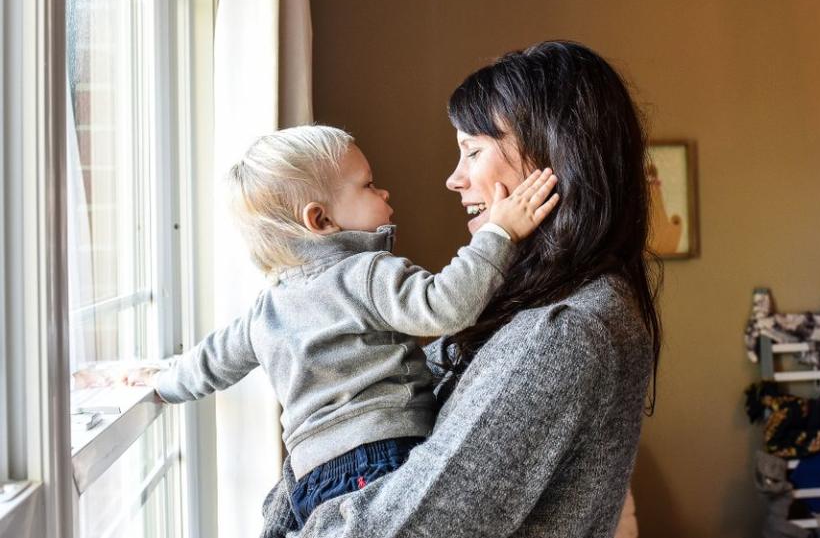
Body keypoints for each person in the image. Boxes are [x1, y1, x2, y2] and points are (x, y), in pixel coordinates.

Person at [260, 40, 663, 537]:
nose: (454, 180)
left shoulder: (567, 329)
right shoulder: (529, 305)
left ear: (556, 153)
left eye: (472, 151)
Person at [103, 125, 559, 528]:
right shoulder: (365, 273)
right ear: (320, 219)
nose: (384, 194)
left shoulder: (266, 309)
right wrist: (498, 235)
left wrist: (163, 383)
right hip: (379, 457)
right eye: (369, 185)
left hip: (308, 480)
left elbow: (211, 361)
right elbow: (444, 307)